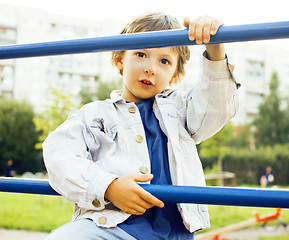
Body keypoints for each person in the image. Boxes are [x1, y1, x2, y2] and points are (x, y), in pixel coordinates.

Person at [43, 12, 239, 240]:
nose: (151, 68)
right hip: (111, 227)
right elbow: (58, 154)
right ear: (120, 60)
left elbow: (217, 108)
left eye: (164, 61)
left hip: (173, 234)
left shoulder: (183, 109)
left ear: (174, 75)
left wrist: (216, 51)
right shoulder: (96, 115)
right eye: (141, 54)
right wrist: (108, 187)